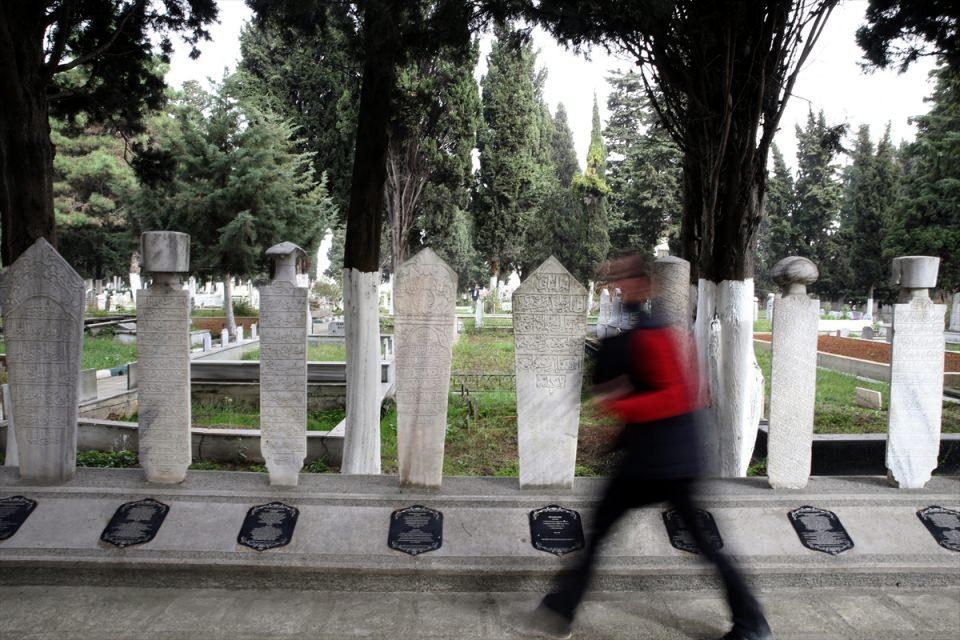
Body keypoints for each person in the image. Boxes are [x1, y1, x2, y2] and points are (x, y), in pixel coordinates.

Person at [526, 254, 772, 640]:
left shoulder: (650, 333)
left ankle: (561, 609)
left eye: (623, 279)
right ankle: (752, 621)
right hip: (664, 456)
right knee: (681, 540)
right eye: (613, 280)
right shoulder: (643, 328)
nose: (617, 286)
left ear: (643, 284)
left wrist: (618, 404)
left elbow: (674, 396)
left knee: (607, 529)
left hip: (660, 460)